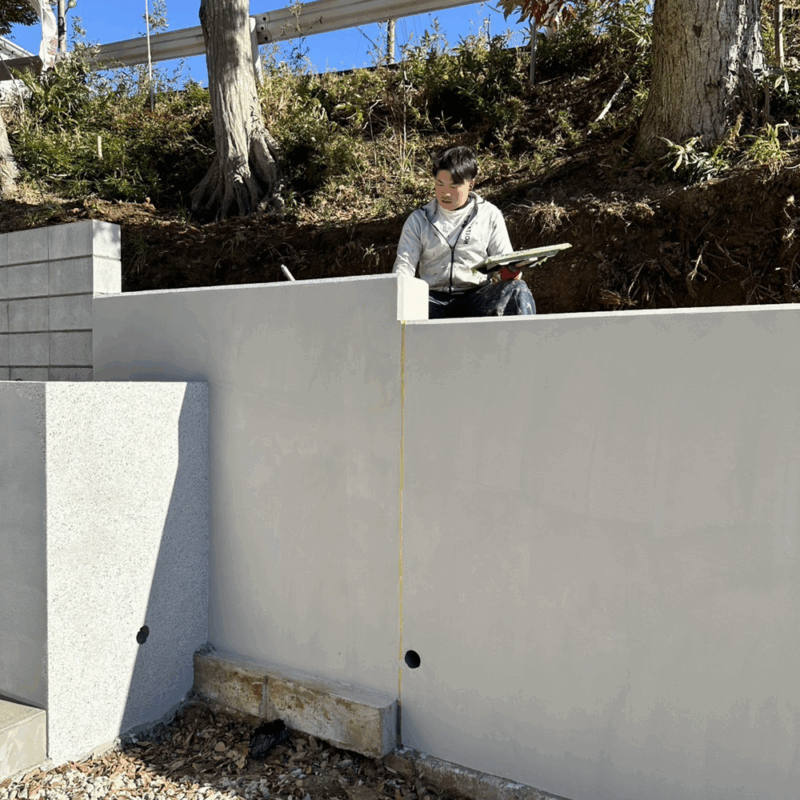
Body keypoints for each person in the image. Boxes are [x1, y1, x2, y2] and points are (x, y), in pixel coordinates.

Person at [392, 146, 535, 319]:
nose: (445, 193)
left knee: (517, 290)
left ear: (471, 184)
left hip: (477, 296)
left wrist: (511, 272)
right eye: (440, 184)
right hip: (431, 299)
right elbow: (404, 267)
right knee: (400, 299)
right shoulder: (418, 220)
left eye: (454, 186)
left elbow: (505, 259)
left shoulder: (489, 215)